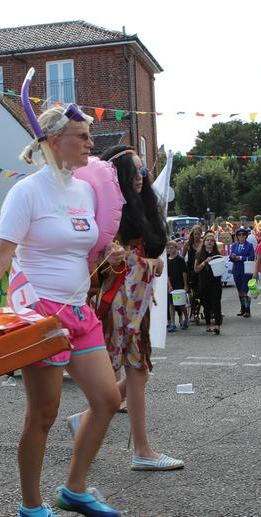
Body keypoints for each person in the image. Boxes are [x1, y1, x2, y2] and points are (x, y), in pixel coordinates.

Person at [0, 105, 122, 517]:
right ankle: (31, 505)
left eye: (89, 136)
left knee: (107, 399)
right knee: (43, 415)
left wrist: (110, 256)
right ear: (54, 141)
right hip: (40, 314)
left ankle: (75, 488)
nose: (90, 144)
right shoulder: (26, 192)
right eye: (82, 136)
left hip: (79, 311)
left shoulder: (85, 191)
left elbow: (82, 249)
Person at [81, 143, 183, 473]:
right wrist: (142, 262)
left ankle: (91, 421)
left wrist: (150, 264)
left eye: (142, 170)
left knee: (139, 372)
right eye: (133, 170)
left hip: (136, 304)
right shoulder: (108, 211)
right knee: (133, 372)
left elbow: (144, 255)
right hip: (117, 305)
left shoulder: (140, 207)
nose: (140, 176)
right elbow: (103, 261)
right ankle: (140, 450)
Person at [194, 231, 224, 334]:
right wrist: (204, 262)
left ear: (214, 243)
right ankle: (208, 324)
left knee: (216, 303)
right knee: (206, 304)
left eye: (212, 240)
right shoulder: (199, 254)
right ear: (204, 242)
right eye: (207, 240)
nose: (209, 242)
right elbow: (196, 269)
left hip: (215, 282)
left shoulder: (217, 254)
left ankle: (217, 325)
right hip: (204, 282)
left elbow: (222, 269)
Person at [229, 227, 255, 318]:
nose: (241, 236)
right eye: (239, 235)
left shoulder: (249, 245)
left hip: (246, 270)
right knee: (240, 290)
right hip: (237, 270)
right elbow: (230, 257)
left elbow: (252, 257)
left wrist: (240, 258)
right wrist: (232, 257)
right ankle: (242, 308)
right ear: (237, 236)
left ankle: (247, 310)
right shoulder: (234, 245)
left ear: (246, 236)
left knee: (245, 290)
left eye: (243, 234)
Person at [167, 240, 188, 331]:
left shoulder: (180, 259)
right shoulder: (167, 260)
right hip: (172, 285)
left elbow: (184, 272)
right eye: (168, 248)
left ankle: (186, 318)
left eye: (171, 248)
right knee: (171, 304)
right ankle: (172, 322)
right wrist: (169, 285)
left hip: (180, 284)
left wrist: (185, 285)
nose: (169, 250)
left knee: (181, 304)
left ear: (176, 248)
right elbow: (167, 275)